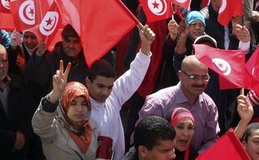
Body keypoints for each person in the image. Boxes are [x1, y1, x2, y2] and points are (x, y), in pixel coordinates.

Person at [88, 25, 154, 159]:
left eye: (109, 87)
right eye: (100, 86)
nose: (105, 92)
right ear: (88, 82)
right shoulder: (77, 106)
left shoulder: (114, 97)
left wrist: (146, 44)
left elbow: (134, 75)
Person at [138, 55, 219, 152]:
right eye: (194, 77)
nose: (200, 82)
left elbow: (212, 139)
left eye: (205, 77)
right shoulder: (158, 103)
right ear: (180, 75)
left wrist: (197, 157)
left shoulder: (209, 105)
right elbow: (141, 140)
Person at [32, 61, 99, 159]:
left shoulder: (93, 128)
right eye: (73, 103)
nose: (80, 109)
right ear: (64, 105)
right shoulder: (54, 129)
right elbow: (40, 126)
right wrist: (55, 94)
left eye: (84, 104)